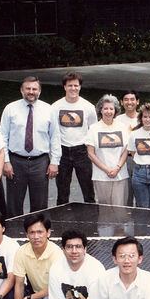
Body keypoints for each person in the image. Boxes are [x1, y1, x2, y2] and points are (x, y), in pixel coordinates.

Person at [0, 76, 61, 217]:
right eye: (28, 88)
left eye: (34, 89)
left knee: (40, 204)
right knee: (14, 203)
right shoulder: (10, 109)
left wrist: (55, 162)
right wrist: (6, 162)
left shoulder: (49, 110)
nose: (31, 92)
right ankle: (14, 233)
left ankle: (38, 234)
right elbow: (2, 137)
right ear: (22, 90)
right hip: (16, 162)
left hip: (40, 162)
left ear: (39, 91)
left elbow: (55, 137)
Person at [52, 71, 98, 205]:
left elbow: (93, 130)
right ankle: (61, 221)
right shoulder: (55, 107)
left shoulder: (88, 107)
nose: (73, 88)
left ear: (80, 87)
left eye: (76, 85)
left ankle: (91, 222)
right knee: (62, 193)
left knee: (88, 191)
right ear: (64, 87)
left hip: (82, 152)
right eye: (70, 85)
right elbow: (53, 132)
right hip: (63, 151)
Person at [86, 94, 130, 206]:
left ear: (115, 110)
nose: (108, 111)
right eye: (105, 108)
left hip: (120, 175)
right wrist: (106, 169)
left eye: (111, 108)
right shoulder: (93, 128)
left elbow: (126, 150)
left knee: (120, 209)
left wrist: (117, 168)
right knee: (105, 210)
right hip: (101, 176)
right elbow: (91, 153)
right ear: (100, 110)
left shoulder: (122, 127)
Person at [116, 90, 141, 206]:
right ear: (121, 102)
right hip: (124, 160)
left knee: (141, 197)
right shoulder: (117, 120)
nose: (129, 102)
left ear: (137, 102)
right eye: (126, 99)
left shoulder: (144, 118)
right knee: (126, 197)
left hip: (140, 160)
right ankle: (127, 223)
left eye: (132, 99)